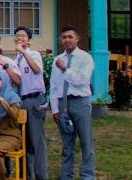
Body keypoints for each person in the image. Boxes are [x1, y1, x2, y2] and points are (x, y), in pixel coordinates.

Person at [50, 25, 95, 180]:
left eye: (70, 37)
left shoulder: (85, 58)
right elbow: (54, 86)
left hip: (80, 102)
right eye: (64, 37)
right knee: (67, 145)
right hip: (63, 104)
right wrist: (55, 109)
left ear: (77, 38)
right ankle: (66, 176)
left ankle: (87, 176)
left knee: (85, 142)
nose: (67, 40)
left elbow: (82, 81)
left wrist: (65, 70)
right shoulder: (58, 59)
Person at [13, 26, 48, 180]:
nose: (19, 38)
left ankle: (41, 175)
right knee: (24, 141)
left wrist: (23, 52)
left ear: (29, 40)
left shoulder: (33, 54)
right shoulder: (17, 59)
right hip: (22, 101)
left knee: (37, 140)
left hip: (34, 100)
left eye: (23, 36)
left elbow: (36, 70)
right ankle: (25, 175)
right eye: (17, 36)